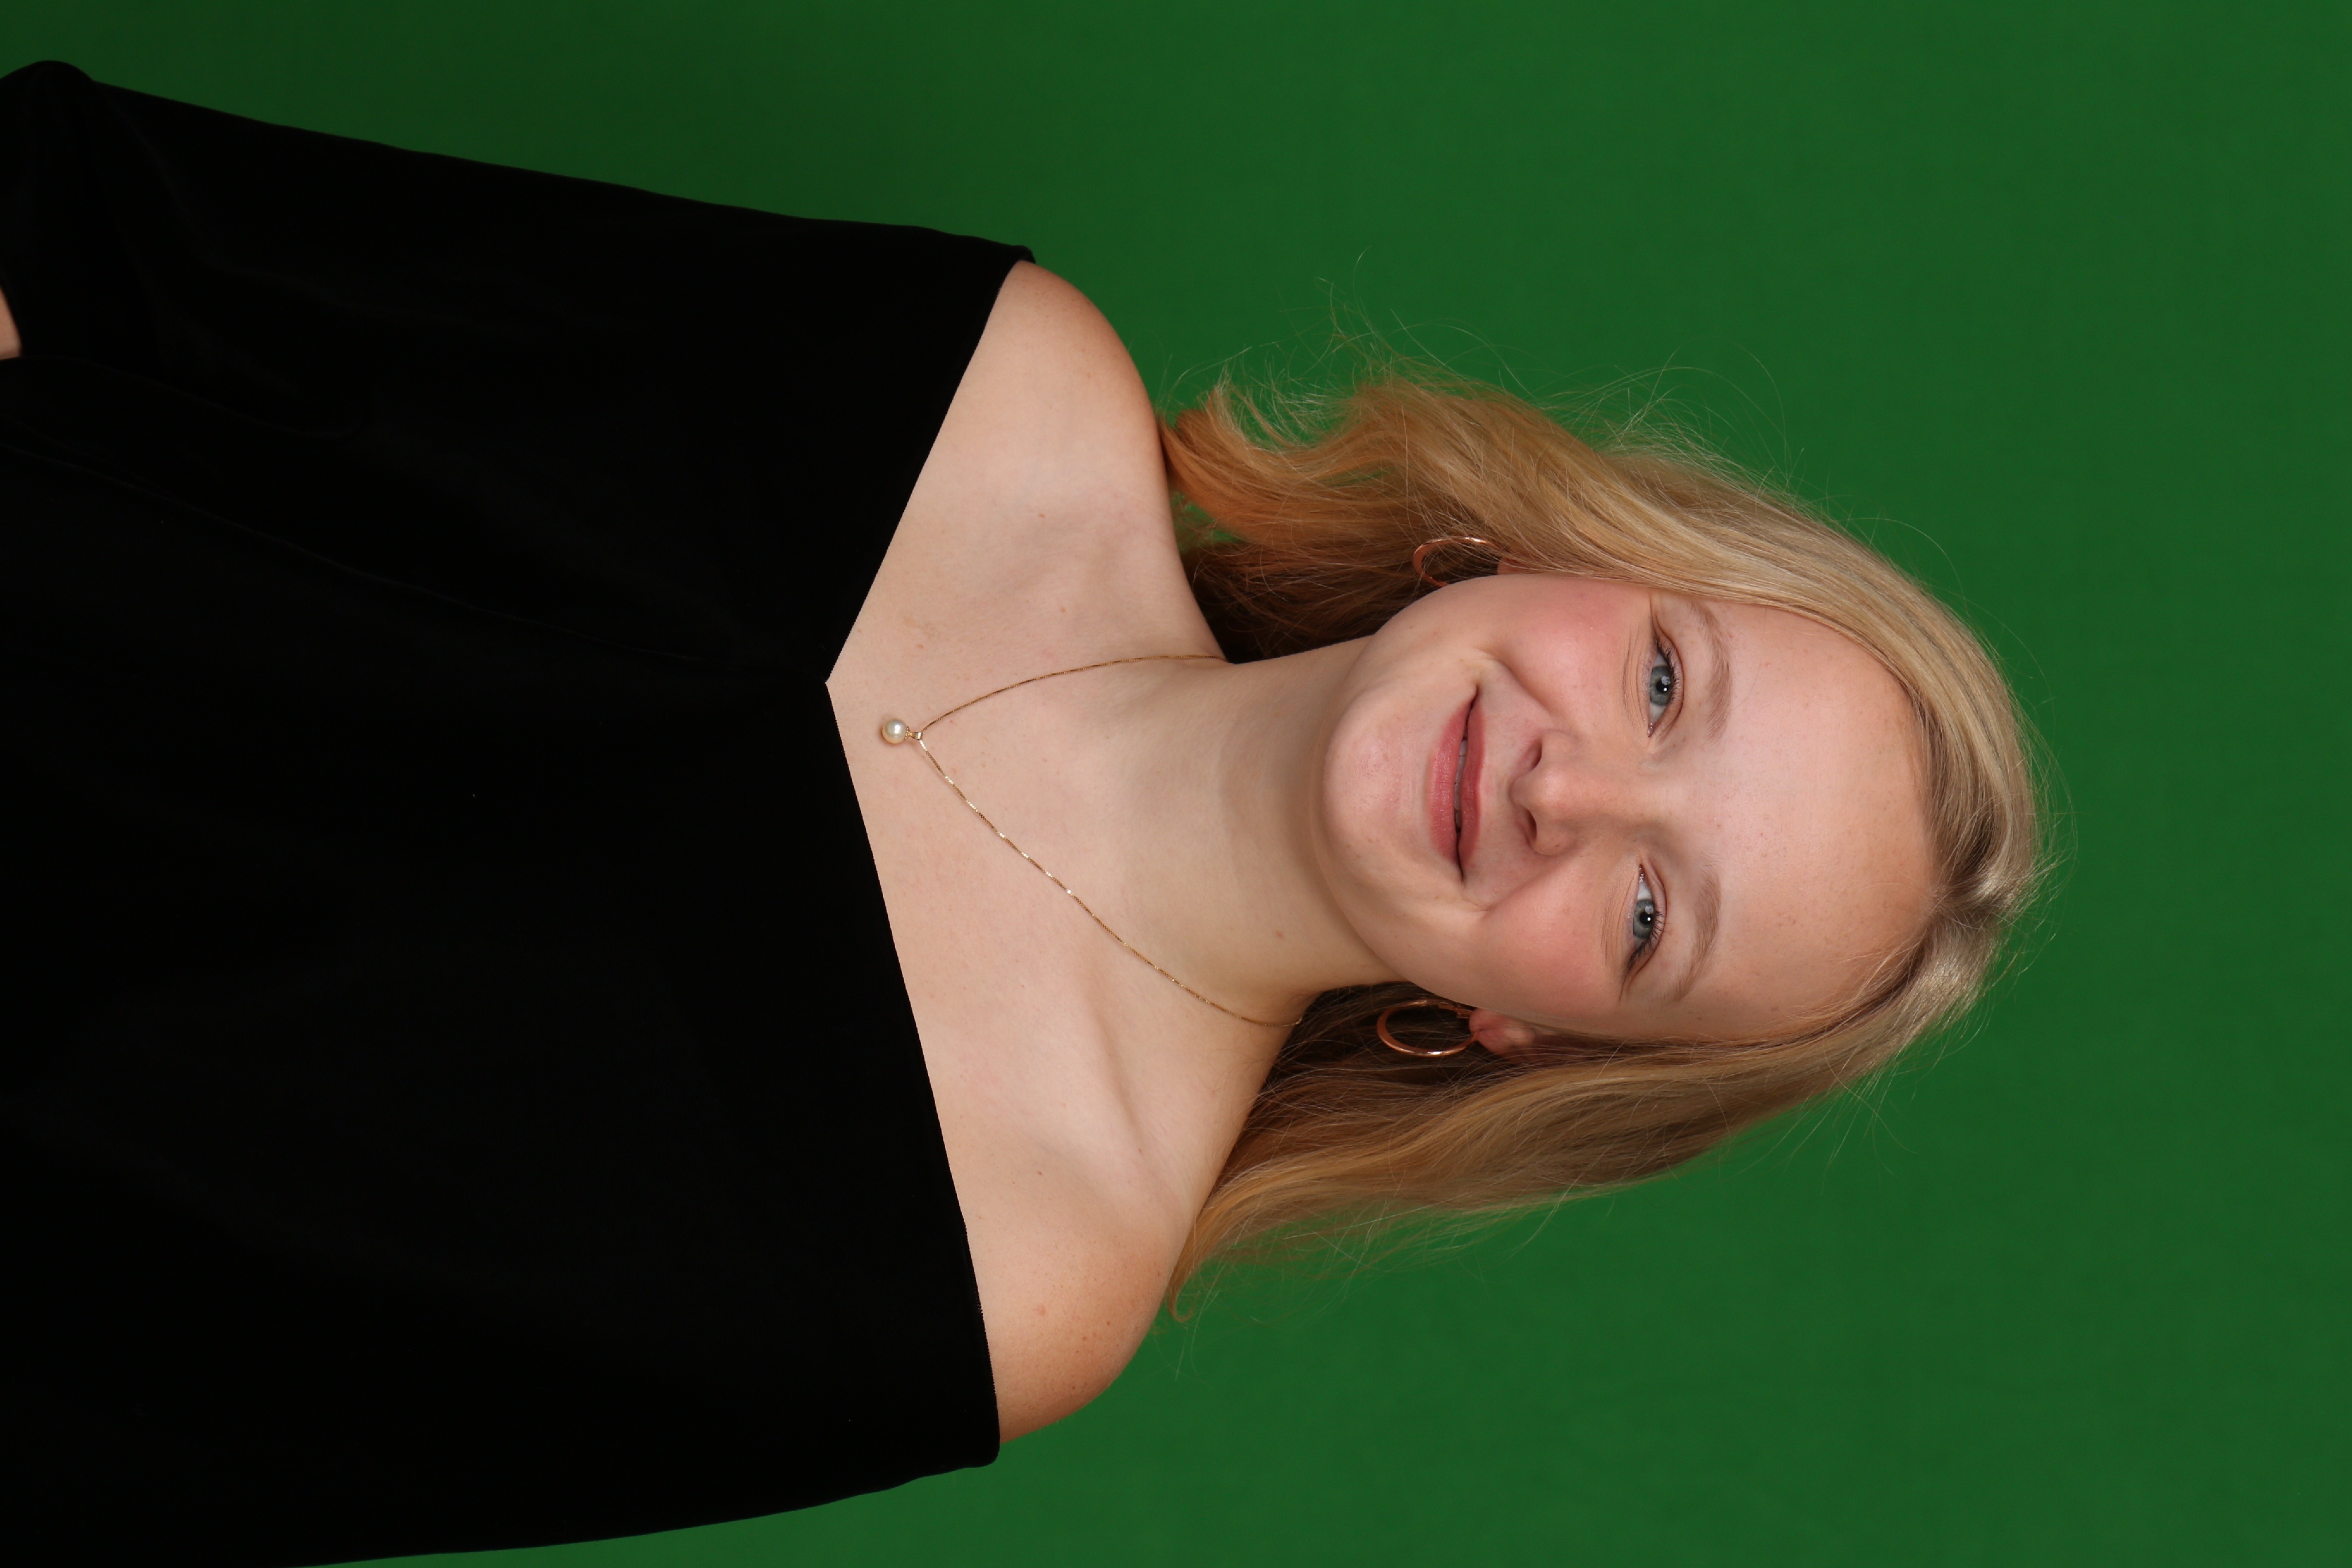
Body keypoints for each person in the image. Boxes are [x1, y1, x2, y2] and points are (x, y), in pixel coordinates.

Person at [0, 60, 2040, 1568]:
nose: (1561, 786)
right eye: (1665, 683)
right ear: (1579, 557)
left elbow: (152, 1409)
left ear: (1528, 1036)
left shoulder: (1030, 1273)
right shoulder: (1002, 387)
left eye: (1649, 916)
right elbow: (122, 246)